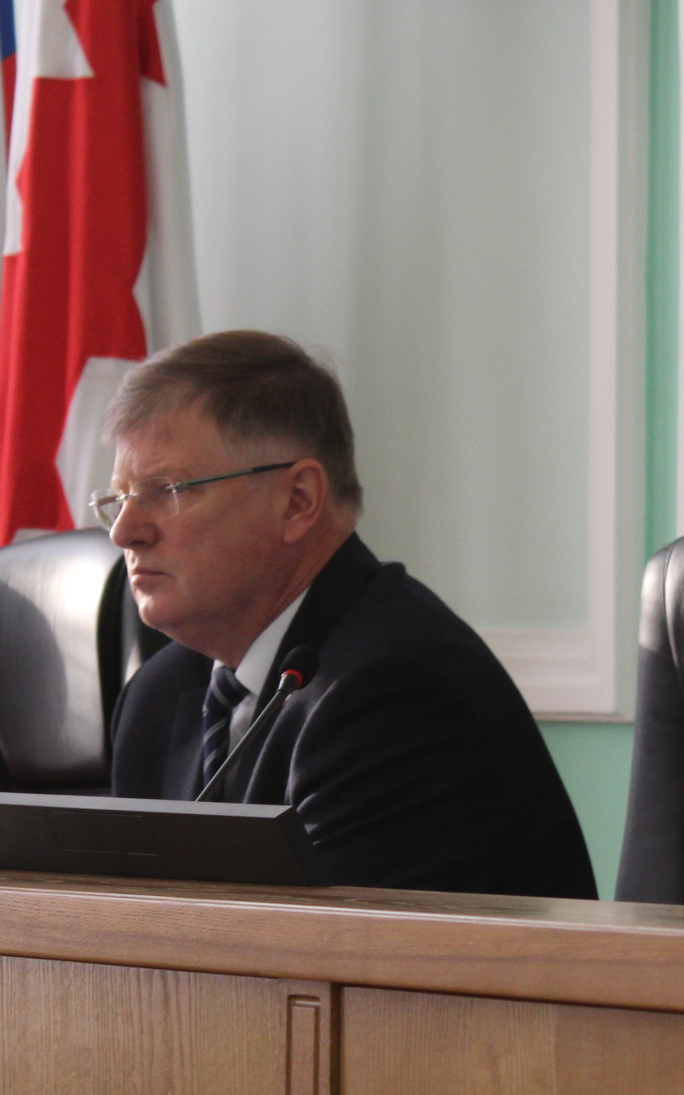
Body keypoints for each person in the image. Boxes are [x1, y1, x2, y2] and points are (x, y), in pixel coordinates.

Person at [102, 331, 597, 899]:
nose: (125, 532)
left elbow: (312, 948)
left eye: (167, 489)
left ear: (298, 500)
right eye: (118, 499)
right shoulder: (159, 698)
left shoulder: (393, 694)